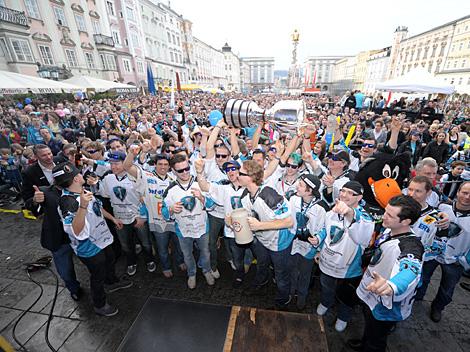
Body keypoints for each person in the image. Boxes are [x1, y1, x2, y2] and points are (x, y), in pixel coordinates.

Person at [54, 162, 132, 316]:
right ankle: (99, 304)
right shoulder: (68, 202)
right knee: (97, 275)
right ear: (76, 178)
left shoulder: (82, 191)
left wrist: (113, 219)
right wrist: (82, 206)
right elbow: (76, 230)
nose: (81, 174)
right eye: (78, 173)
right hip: (89, 246)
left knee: (110, 259)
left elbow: (97, 207)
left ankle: (112, 282)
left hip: (102, 237)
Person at [348, 195, 423, 352]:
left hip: (386, 306)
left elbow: (411, 269)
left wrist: (393, 285)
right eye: (385, 211)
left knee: (377, 339)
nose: (384, 216)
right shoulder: (390, 229)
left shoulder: (411, 245)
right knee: (369, 326)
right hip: (373, 293)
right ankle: (364, 343)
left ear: (406, 221)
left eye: (390, 215)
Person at [233, 160, 294, 308]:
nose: (236, 175)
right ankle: (261, 283)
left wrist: (261, 226)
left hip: (279, 242)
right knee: (261, 264)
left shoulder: (269, 195)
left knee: (281, 275)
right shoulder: (245, 195)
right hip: (262, 240)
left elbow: (289, 222)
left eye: (240, 173)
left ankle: (283, 300)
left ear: (252, 177)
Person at [317, 181, 374, 332]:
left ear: (359, 197)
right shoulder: (333, 210)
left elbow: (364, 237)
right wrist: (318, 246)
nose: (344, 195)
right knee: (326, 286)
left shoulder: (366, 218)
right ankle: (325, 302)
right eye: (343, 191)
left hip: (348, 269)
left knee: (347, 296)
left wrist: (349, 212)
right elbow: (326, 230)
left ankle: (343, 316)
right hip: (327, 262)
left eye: (350, 193)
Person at [123, 146, 185, 278]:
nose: (163, 167)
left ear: (170, 167)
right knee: (162, 249)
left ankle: (180, 261)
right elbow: (127, 167)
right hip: (158, 222)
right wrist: (131, 154)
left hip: (176, 220)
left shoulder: (174, 179)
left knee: (179, 246)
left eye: (166, 164)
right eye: (160, 164)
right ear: (155, 165)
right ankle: (166, 267)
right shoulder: (147, 176)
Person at [415, 181, 470, 322]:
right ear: (457, 192)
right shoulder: (442, 207)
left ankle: (438, 307)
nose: (467, 197)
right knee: (422, 279)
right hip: (432, 254)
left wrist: (464, 260)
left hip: (455, 260)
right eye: (465, 192)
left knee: (447, 290)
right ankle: (416, 299)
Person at [97, 150, 156, 276]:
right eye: (111, 163)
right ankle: (131, 262)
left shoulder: (135, 177)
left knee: (145, 243)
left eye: (117, 163)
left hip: (138, 218)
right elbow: (105, 195)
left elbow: (146, 197)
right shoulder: (108, 178)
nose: (113, 167)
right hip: (120, 219)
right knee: (126, 245)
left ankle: (150, 260)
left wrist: (143, 217)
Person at [162, 154, 215, 289]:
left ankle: (207, 271)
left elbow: (213, 205)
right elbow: (164, 213)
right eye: (180, 170)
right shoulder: (170, 189)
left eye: (187, 169)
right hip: (183, 230)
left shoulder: (201, 183)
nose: (185, 172)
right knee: (187, 254)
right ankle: (192, 274)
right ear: (173, 171)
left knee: (205, 252)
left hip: (202, 227)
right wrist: (171, 209)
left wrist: (203, 198)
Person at [195, 158, 246, 287]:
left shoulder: (248, 187)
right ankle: (239, 275)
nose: (230, 172)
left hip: (251, 229)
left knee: (256, 255)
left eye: (233, 168)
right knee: (237, 256)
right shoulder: (225, 189)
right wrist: (200, 172)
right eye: (228, 170)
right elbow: (205, 186)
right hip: (232, 231)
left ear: (240, 171)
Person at [288, 174, 327, 310]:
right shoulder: (293, 199)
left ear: (310, 190)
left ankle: (302, 297)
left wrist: (318, 239)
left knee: (305, 274)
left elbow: (325, 228)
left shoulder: (321, 207)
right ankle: (290, 293)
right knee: (292, 270)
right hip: (293, 244)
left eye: (301, 185)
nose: (297, 187)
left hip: (309, 248)